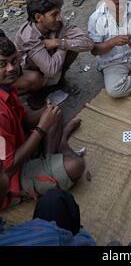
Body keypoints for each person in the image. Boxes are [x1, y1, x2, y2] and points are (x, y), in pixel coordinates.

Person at [0, 34, 85, 211]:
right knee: (76, 166)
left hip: (17, 146)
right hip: (8, 178)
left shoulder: (6, 87)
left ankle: (52, 154)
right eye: (2, 64)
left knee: (53, 112)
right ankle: (58, 148)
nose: (11, 69)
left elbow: (22, 119)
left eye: (14, 61)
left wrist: (46, 116)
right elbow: (9, 166)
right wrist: (41, 128)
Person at [14, 0, 94, 105]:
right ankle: (37, 92)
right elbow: (51, 70)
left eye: (59, 13)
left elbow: (89, 43)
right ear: (38, 17)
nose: (60, 18)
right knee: (35, 75)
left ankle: (60, 81)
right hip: (29, 69)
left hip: (51, 62)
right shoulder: (29, 35)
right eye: (54, 14)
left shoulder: (60, 23)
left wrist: (59, 42)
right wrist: (63, 45)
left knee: (71, 45)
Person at [0, 166, 95, 246]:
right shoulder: (50, 237)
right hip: (51, 238)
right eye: (1, 169)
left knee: (53, 198)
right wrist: (83, 235)